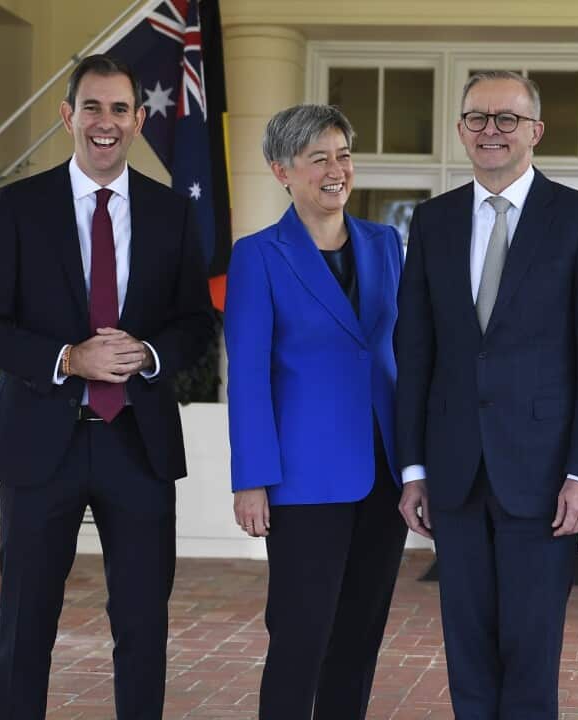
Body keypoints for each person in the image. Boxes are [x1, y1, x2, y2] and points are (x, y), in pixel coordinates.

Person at [0, 54, 214, 719]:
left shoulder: (171, 214)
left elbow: (194, 322)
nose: (106, 123)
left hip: (139, 445)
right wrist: (68, 358)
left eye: (120, 109)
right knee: (25, 626)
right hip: (42, 443)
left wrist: (151, 353)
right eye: (93, 108)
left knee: (142, 628)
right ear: (68, 116)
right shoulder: (19, 207)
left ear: (140, 119)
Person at [394, 70, 578, 719]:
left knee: (530, 651)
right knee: (466, 650)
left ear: (536, 132)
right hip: (454, 474)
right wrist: (413, 470)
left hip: (546, 476)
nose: (491, 131)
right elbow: (415, 354)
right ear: (462, 128)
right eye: (477, 118)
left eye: (507, 120)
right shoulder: (433, 222)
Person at [225, 104, 408, 719]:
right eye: (318, 158)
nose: (336, 170)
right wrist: (251, 478)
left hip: (382, 471)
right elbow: (247, 375)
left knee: (360, 639)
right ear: (282, 170)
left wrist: (417, 466)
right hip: (303, 479)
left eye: (343, 155)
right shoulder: (258, 255)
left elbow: (402, 352)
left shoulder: (385, 244)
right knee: (301, 638)